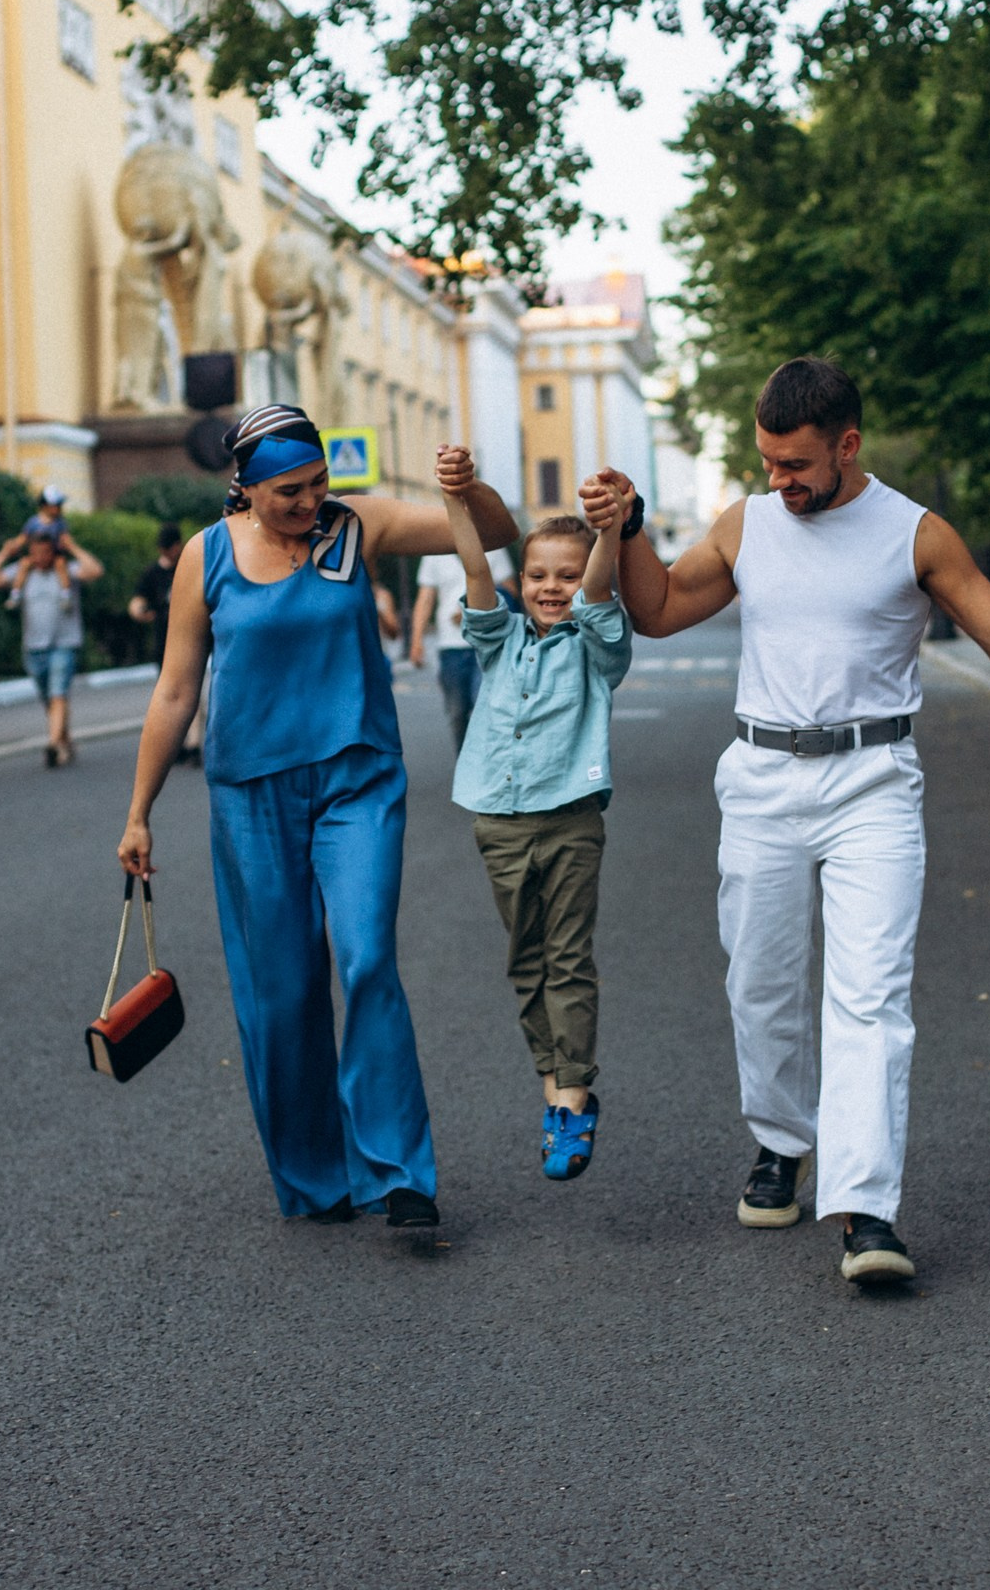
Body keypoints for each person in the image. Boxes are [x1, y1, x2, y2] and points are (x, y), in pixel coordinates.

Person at [594, 357, 990, 1286]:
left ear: (847, 445)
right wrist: (628, 530)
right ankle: (783, 1143)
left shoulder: (916, 534)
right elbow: (660, 609)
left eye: (795, 465)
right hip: (760, 777)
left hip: (873, 782)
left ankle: (867, 1209)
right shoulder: (747, 524)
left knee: (869, 997)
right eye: (768, 462)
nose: (780, 481)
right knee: (761, 980)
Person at [117, 405, 519, 1227]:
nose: (309, 502)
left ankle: (398, 1170)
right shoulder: (207, 558)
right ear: (247, 487)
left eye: (319, 483)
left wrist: (465, 487)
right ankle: (315, 1176)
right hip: (249, 794)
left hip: (356, 778)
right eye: (290, 491)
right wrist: (139, 813)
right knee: (281, 989)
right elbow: (176, 689)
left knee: (367, 956)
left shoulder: (356, 526)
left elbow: (494, 533)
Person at [446, 496, 632, 1181]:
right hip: (498, 818)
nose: (550, 588)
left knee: (567, 956)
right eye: (537, 576)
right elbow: (472, 563)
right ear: (520, 581)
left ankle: (574, 1099)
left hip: (571, 818)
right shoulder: (497, 639)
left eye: (566, 576)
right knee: (525, 961)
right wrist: (453, 498)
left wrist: (608, 531)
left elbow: (601, 590)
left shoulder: (597, 645)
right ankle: (553, 1084)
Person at [0, 517, 103, 769]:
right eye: (35, 552)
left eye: (44, 552)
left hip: (63, 644)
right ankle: (63, 740)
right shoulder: (22, 573)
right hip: (34, 647)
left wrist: (72, 547)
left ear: (53, 551)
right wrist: (6, 553)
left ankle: (53, 745)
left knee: (58, 695)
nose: (40, 557)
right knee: (50, 699)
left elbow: (95, 570)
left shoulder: (65, 569)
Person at [411, 542, 518, 753]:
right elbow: (425, 598)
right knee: (457, 713)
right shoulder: (434, 551)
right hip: (450, 646)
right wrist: (416, 641)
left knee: (486, 707)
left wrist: (476, 608)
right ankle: (466, 762)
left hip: (488, 644)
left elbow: (511, 591)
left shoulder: (492, 545)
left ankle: (489, 763)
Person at [127, 519, 206, 765]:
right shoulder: (153, 573)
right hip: (165, 643)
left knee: (192, 692)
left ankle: (193, 742)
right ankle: (180, 743)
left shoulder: (189, 565)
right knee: (173, 694)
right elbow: (138, 599)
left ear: (177, 546)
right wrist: (139, 611)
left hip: (195, 640)